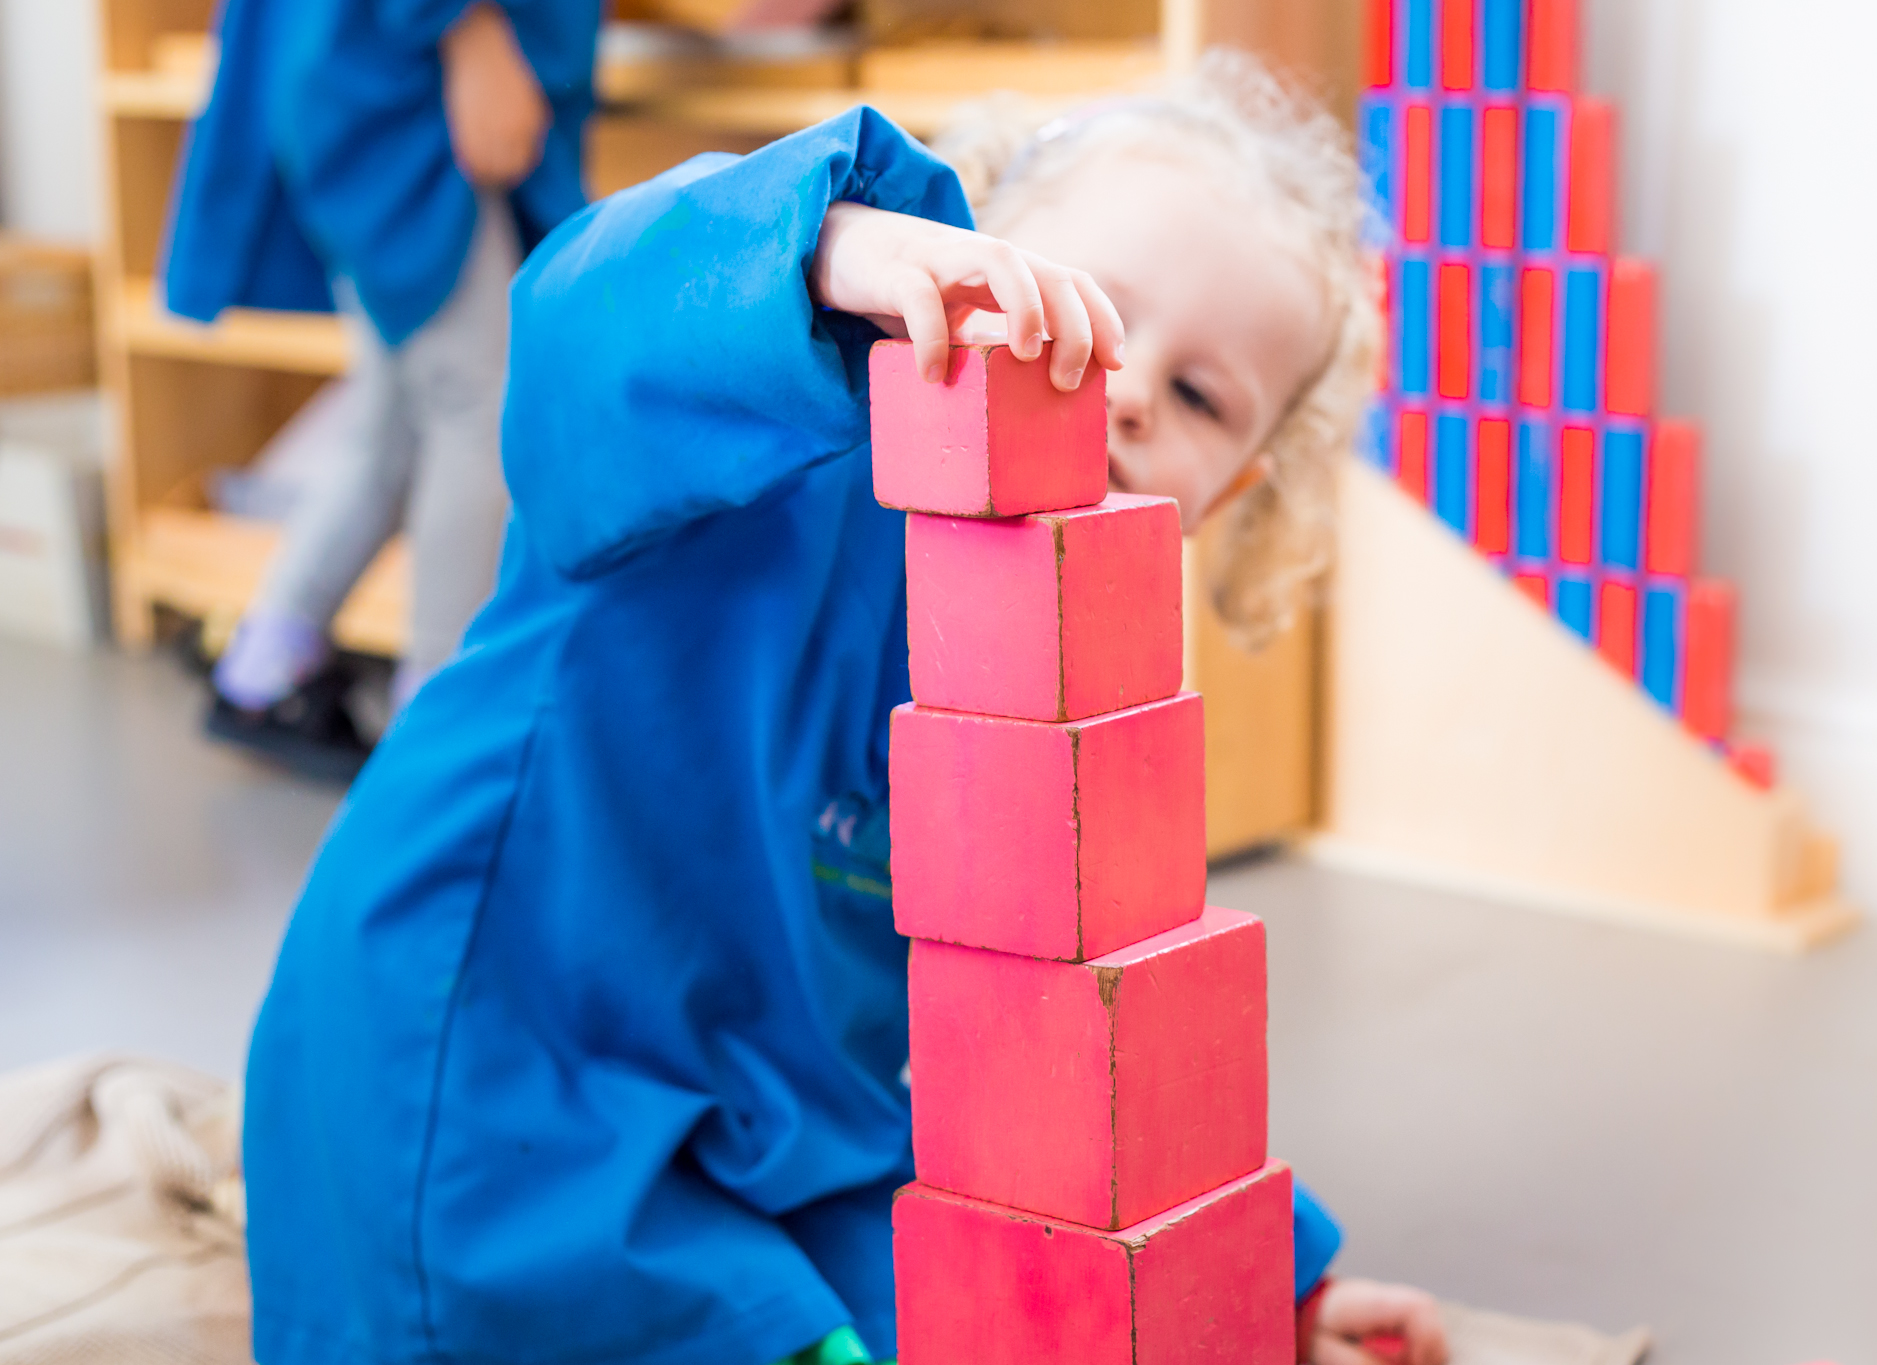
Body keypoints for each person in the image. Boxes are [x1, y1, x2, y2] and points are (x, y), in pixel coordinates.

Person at [239, 51, 1450, 1365]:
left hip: (781, 1133)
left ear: (1235, 489)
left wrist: (1266, 1274)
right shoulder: (745, 449)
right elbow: (581, 329)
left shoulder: (1066, 670)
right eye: (1084, 309)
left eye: (1203, 398)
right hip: (498, 1072)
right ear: (958, 256)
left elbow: (1064, 1017)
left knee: (1009, 1310)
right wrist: (828, 252)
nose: (1131, 386)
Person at [161, 0, 602, 779]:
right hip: (412, 97)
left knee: (391, 424)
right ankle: (437, 724)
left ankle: (265, 663)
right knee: (478, 406)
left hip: (365, 90)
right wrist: (470, 30)